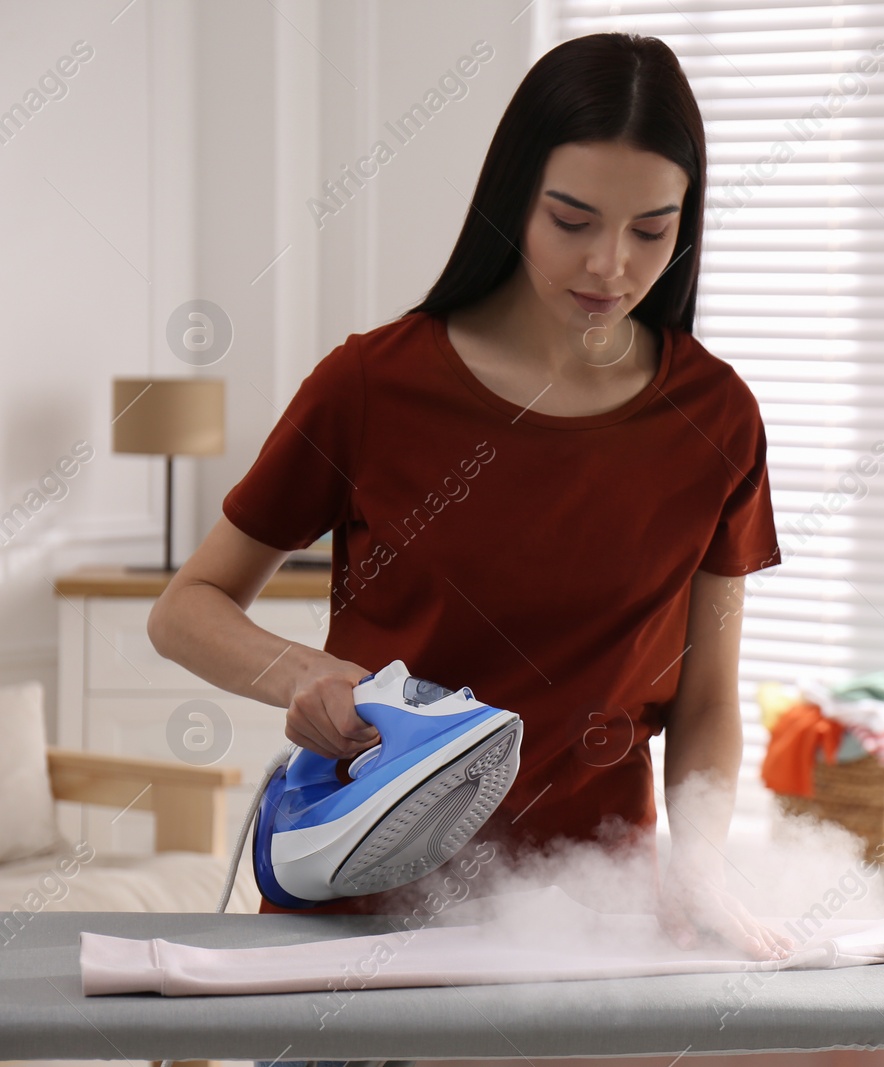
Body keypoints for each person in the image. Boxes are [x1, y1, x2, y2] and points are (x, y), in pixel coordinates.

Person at [147, 31, 794, 1067]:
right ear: (511, 197)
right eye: (571, 219)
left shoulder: (715, 416)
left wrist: (703, 865)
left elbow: (707, 699)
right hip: (353, 922)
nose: (608, 264)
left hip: (580, 927)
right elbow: (187, 605)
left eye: (651, 229)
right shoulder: (372, 386)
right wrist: (304, 674)